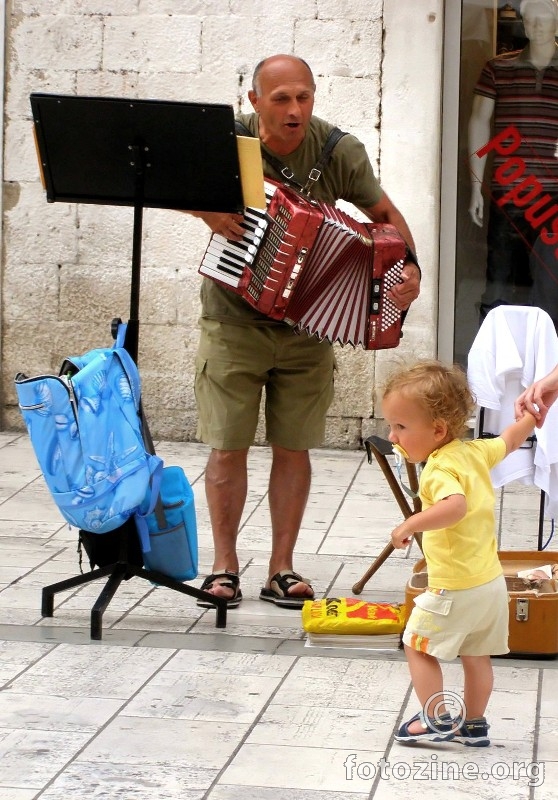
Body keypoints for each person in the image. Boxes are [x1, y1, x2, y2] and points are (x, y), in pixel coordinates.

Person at [190, 54, 421, 609]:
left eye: (305, 97)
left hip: (307, 326)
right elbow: (169, 179)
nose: (295, 110)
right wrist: (208, 213)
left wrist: (409, 267)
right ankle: (223, 568)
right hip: (233, 319)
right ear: (255, 101)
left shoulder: (338, 151)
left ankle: (282, 570)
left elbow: (383, 212)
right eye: (282, 99)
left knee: (295, 448)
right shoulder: (229, 139)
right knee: (227, 448)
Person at [382, 360, 535, 746]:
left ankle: (434, 718)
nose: (393, 436)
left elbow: (455, 506)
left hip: (455, 588)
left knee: (415, 644)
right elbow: (511, 440)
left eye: (401, 426)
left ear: (437, 430)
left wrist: (410, 524)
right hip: (489, 585)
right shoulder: (474, 452)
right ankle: (474, 724)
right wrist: (533, 415)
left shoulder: (438, 469)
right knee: (476, 655)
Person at [468, 0, 558, 322]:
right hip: (510, 192)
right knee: (499, 285)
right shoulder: (498, 68)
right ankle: (491, 365)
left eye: (545, 21)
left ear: (557, 25)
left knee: (551, 288)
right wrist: (476, 187)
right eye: (531, 21)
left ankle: (549, 368)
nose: (537, 28)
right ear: (523, 24)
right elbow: (479, 122)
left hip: (554, 197)